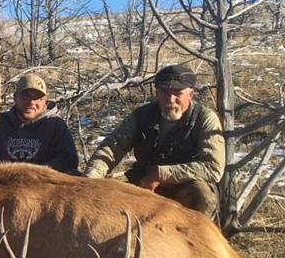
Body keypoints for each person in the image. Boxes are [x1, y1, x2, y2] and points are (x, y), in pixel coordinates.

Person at [83, 64, 224, 219]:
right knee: (106, 196)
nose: (171, 100)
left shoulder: (205, 119)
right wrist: (91, 178)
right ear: (156, 92)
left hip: (186, 184)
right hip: (144, 181)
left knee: (203, 198)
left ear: (191, 94)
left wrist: (161, 174)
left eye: (178, 93)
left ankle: (196, 240)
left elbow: (213, 168)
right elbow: (111, 147)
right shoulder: (142, 115)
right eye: (164, 92)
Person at [0, 73, 78, 174]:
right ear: (15, 97)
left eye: (38, 99)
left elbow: (68, 160)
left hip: (41, 186)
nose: (31, 103)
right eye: (26, 96)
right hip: (3, 184)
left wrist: (36, 174)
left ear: (46, 101)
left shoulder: (55, 125)